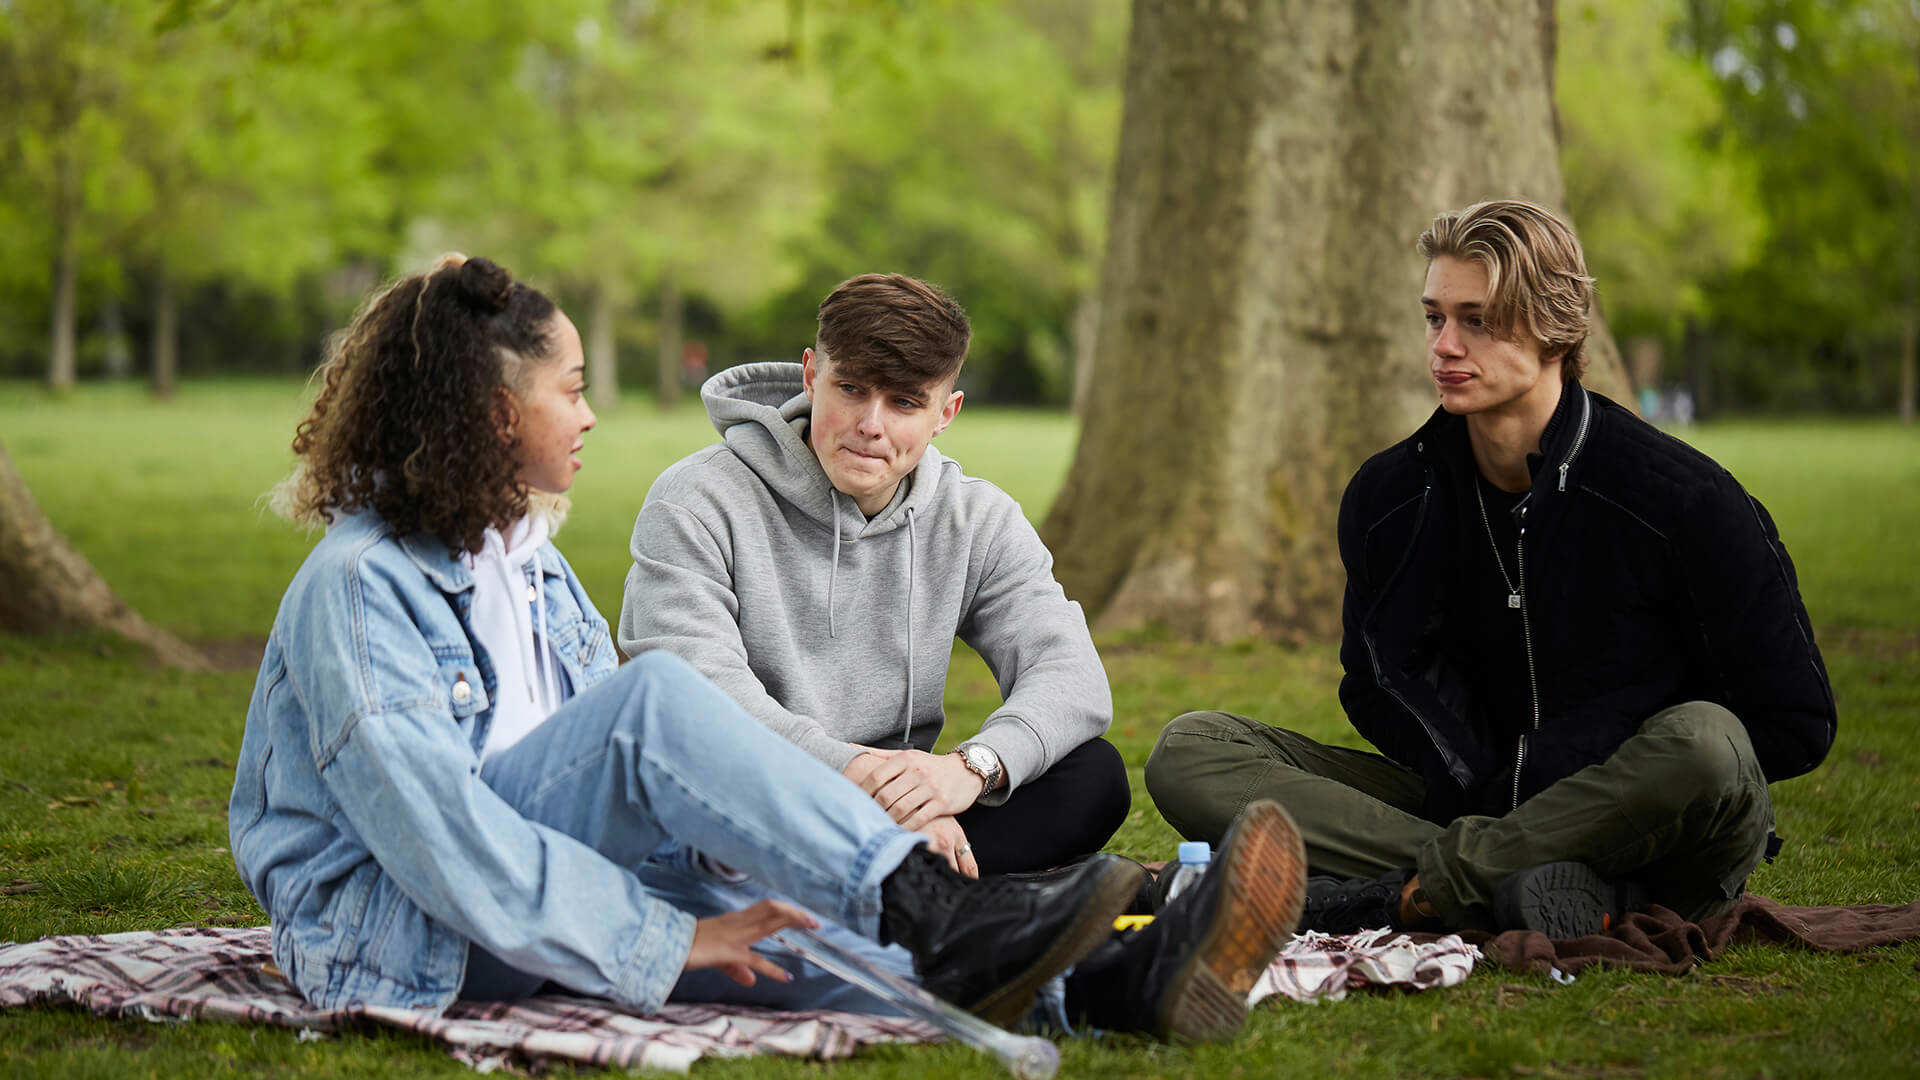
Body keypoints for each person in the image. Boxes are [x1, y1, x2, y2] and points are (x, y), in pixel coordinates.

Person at [228, 254, 1306, 1042]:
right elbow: (445, 842)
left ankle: (1118, 980)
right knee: (656, 709)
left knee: (790, 936)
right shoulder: (362, 588)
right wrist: (665, 940)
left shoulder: (529, 560)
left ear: (947, 412)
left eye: (905, 401)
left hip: (580, 865)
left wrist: (922, 792)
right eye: (572, 388)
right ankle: (943, 914)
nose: (593, 415)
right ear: (493, 413)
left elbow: (606, 792)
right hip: (399, 929)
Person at [1144, 201, 1837, 938]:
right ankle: (1526, 885)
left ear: (1554, 326)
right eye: (1434, 317)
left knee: (1704, 741)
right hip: (1470, 804)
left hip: (1659, 829)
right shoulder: (1389, 500)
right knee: (1191, 750)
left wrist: (1576, 766)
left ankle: (1421, 892)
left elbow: (1796, 721)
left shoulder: (1684, 500)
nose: (1444, 345)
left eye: (1476, 320)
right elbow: (1369, 683)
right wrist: (1478, 775)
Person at [619, 274, 1127, 878]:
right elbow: (695, 693)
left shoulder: (975, 518)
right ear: (812, 375)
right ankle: (939, 901)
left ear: (947, 413)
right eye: (852, 389)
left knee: (1091, 776)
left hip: (897, 810)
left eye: (905, 403)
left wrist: (968, 770)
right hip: (761, 795)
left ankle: (908, 896)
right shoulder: (697, 499)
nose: (871, 424)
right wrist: (865, 781)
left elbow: (1071, 674)